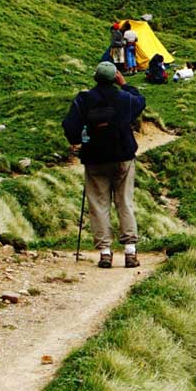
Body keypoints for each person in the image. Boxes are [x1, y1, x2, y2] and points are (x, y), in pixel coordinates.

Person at [62, 61, 146, 268]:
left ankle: (105, 252)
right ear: (114, 77)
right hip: (122, 156)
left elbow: (70, 126)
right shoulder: (124, 98)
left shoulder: (84, 99)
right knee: (124, 201)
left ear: (95, 78)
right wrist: (125, 84)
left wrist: (78, 140)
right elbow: (140, 102)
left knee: (98, 204)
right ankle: (130, 252)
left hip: (95, 158)